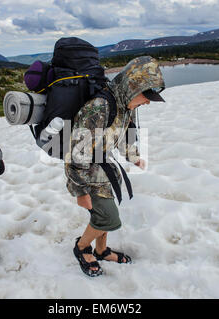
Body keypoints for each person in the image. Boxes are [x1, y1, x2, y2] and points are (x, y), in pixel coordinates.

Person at [65, 56, 166, 277]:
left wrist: (134, 157)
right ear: (132, 88)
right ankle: (82, 248)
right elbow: (73, 154)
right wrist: (80, 192)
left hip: (104, 171)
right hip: (86, 175)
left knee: (103, 216)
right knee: (108, 218)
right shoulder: (99, 108)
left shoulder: (125, 106)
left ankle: (101, 251)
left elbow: (124, 136)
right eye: (146, 96)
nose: (148, 102)